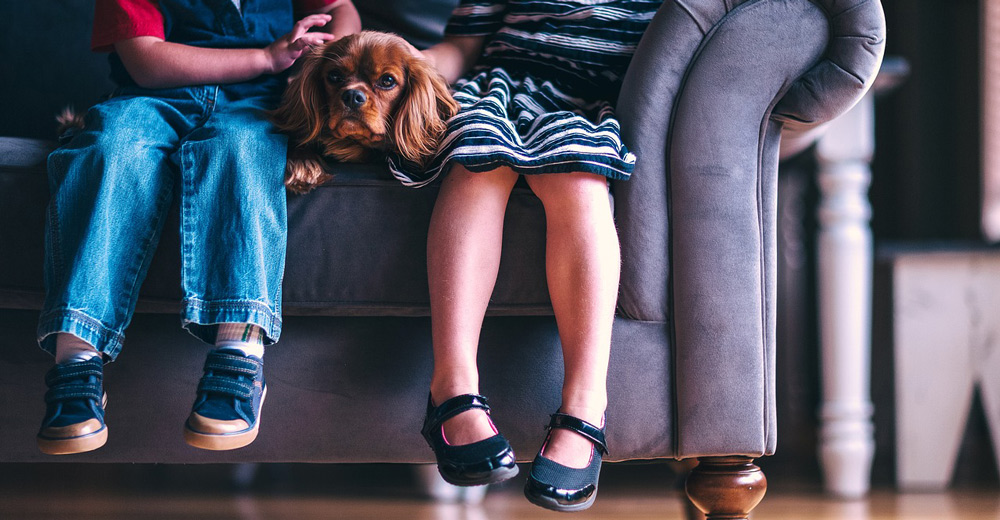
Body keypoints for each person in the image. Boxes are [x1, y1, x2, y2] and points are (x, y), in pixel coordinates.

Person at [36, 0, 360, 455]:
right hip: (154, 96)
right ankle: (77, 356)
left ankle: (239, 351)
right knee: (110, 151)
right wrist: (266, 58)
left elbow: (339, 8)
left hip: (259, 102)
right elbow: (145, 60)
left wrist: (323, 62)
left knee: (242, 151)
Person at [398, 0, 661, 512]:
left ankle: (586, 406)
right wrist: (406, 64)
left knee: (579, 180)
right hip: (500, 84)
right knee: (478, 161)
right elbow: (461, 46)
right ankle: (452, 386)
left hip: (589, 96)